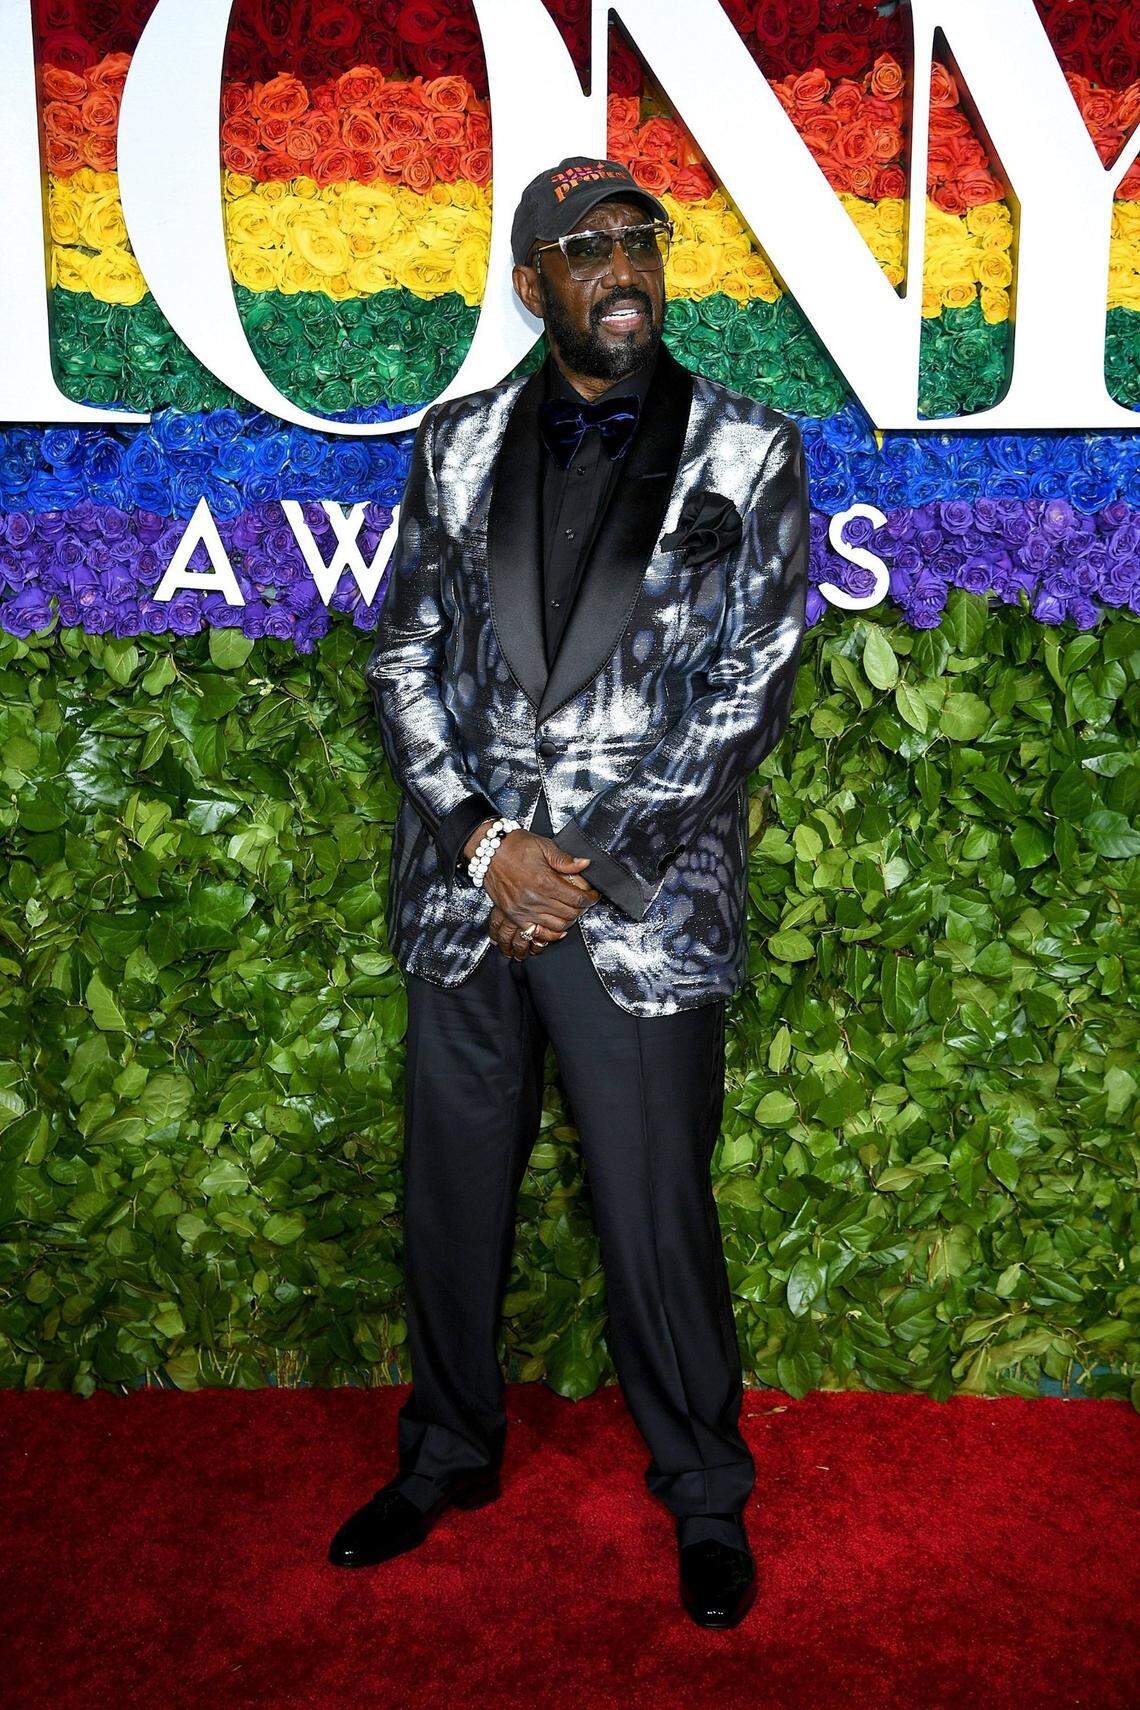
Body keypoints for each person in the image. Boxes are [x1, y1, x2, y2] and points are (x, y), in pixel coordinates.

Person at [329, 155, 810, 1629]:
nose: (621, 271)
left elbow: (750, 686)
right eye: (585, 250)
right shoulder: (455, 441)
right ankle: (446, 1452)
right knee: (453, 1192)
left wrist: (582, 866)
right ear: (531, 281)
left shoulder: (747, 450)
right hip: (469, 896)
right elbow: (405, 656)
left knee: (656, 1210)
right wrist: (487, 843)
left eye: (637, 242)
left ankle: (704, 1491)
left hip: (636, 907)